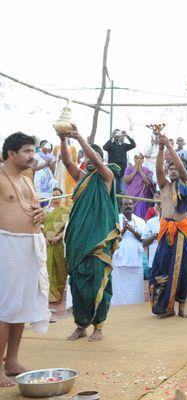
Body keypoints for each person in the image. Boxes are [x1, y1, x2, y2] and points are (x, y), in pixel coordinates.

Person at [61, 125, 120, 342]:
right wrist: (63, 140)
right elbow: (67, 162)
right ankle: (80, 325)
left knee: (98, 281)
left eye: (91, 156)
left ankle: (99, 327)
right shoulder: (82, 178)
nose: (87, 160)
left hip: (98, 241)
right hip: (77, 238)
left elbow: (95, 161)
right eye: (85, 158)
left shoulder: (106, 176)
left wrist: (80, 139)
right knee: (77, 282)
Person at [0, 132, 49, 387]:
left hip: (30, 246)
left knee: (21, 307)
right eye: (28, 151)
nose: (33, 156)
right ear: (11, 154)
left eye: (33, 151)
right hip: (7, 246)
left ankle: (12, 361)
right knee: (5, 309)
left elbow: (35, 207)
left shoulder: (27, 179)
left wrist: (42, 213)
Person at [149, 134, 187, 318]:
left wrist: (169, 145)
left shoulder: (186, 184)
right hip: (165, 231)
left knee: (184, 268)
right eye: (171, 168)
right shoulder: (164, 185)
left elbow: (183, 169)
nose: (174, 170)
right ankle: (165, 307)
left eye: (177, 168)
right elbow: (159, 169)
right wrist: (161, 149)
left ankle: (182, 306)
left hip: (182, 232)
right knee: (162, 267)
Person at [111, 198, 146, 305]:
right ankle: (119, 308)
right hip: (120, 259)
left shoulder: (140, 221)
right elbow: (112, 239)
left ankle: (136, 307)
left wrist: (131, 229)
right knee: (119, 286)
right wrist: (123, 230)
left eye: (130, 204)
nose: (128, 206)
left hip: (135, 258)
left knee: (136, 286)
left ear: (133, 206)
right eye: (125, 204)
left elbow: (143, 239)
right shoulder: (114, 220)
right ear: (121, 206)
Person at [43, 188, 69, 305]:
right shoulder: (45, 211)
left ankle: (58, 295)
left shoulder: (65, 211)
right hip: (47, 245)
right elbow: (39, 226)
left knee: (61, 270)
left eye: (58, 195)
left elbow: (68, 228)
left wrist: (58, 237)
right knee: (47, 270)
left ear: (61, 197)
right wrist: (44, 238)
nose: (56, 197)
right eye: (54, 195)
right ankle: (50, 296)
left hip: (59, 245)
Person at [102, 129, 136, 194]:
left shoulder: (124, 145)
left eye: (118, 134)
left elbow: (133, 145)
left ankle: (122, 203)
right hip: (112, 171)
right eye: (116, 134)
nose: (117, 136)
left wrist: (127, 136)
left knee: (123, 191)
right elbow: (104, 147)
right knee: (113, 189)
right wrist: (111, 137)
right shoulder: (110, 145)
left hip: (123, 171)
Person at [124, 153, 154, 219]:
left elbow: (148, 182)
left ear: (143, 160)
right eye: (137, 158)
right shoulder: (129, 168)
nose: (139, 160)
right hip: (130, 195)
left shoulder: (147, 170)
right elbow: (125, 180)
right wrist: (135, 171)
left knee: (140, 216)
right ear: (134, 159)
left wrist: (140, 170)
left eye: (140, 158)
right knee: (128, 215)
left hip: (141, 197)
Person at [33, 140, 57, 205]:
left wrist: (49, 163)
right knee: (39, 196)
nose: (45, 147)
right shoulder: (36, 155)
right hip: (39, 178)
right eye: (43, 145)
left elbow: (53, 169)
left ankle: (46, 211)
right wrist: (45, 164)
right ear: (41, 146)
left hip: (49, 179)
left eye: (46, 145)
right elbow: (33, 168)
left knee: (48, 197)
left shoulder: (51, 156)